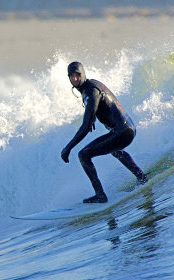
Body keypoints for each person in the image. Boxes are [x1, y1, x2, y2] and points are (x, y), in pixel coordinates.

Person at [61, 61, 148, 203]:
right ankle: (141, 177)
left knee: (83, 155)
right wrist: (93, 116)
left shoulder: (90, 91)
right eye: (71, 77)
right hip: (125, 129)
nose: (74, 79)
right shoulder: (91, 86)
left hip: (122, 131)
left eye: (77, 76)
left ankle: (100, 195)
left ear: (82, 75)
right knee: (115, 150)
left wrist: (68, 148)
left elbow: (84, 127)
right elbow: (100, 104)